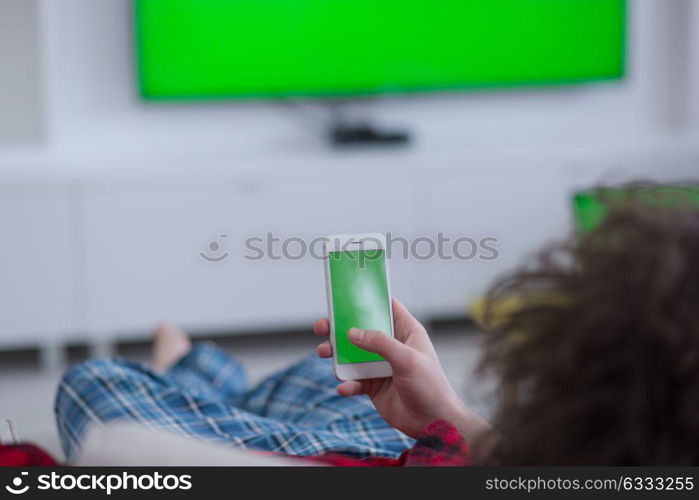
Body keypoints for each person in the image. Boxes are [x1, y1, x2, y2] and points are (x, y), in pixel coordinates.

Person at [55, 195, 699, 465]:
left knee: (95, 384)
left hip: (339, 461)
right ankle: (193, 372)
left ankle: (190, 367)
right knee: (332, 370)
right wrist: (455, 415)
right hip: (421, 440)